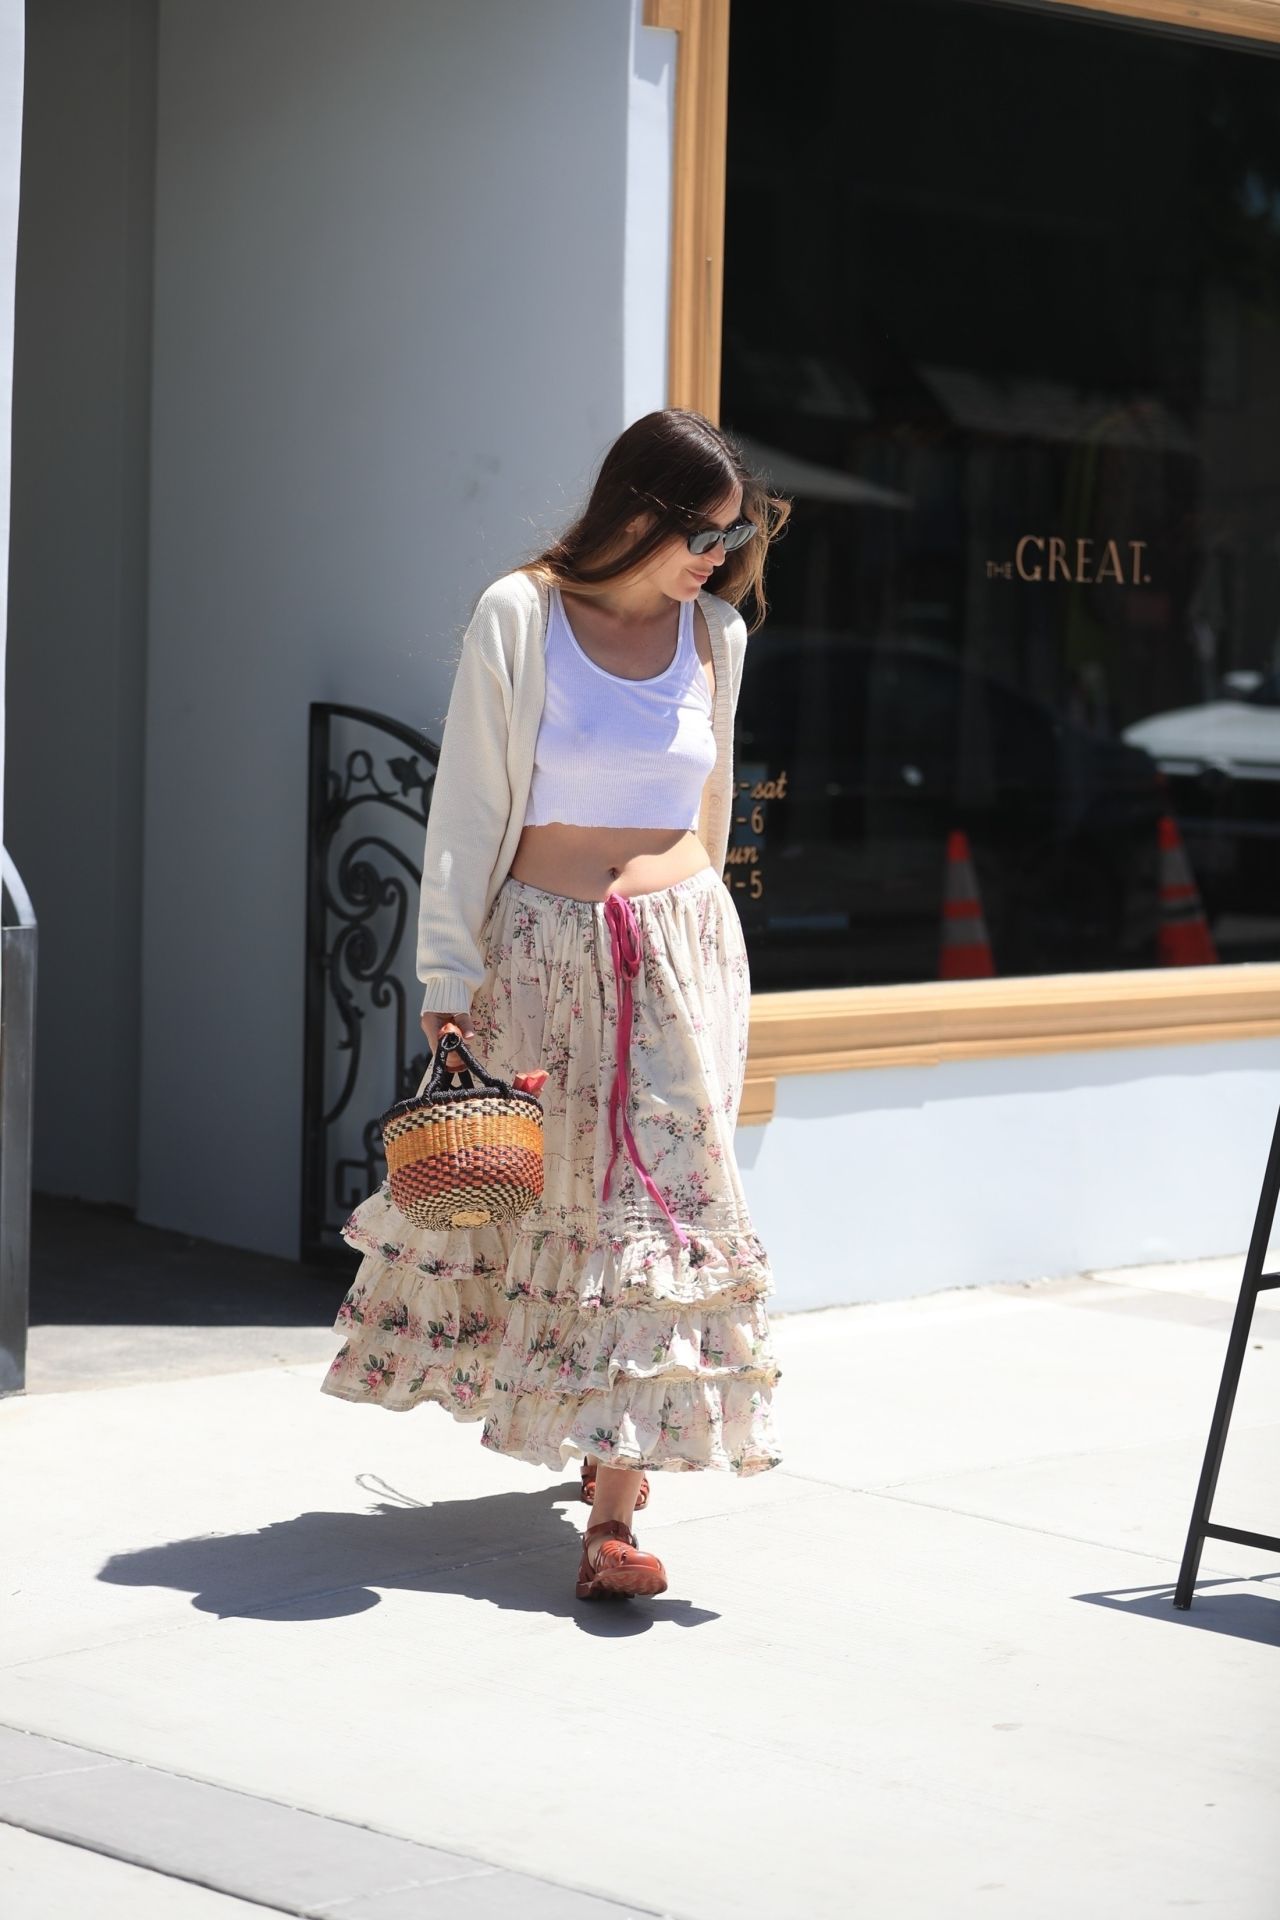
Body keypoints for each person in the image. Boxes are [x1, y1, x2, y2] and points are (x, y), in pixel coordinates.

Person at [321, 408, 791, 1602]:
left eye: (737, 536)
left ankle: (617, 1514)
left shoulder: (717, 634)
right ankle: (592, 1443)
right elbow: (469, 810)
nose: (719, 556)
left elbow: (712, 802)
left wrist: (709, 958)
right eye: (703, 531)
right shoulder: (520, 617)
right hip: (540, 954)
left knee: (659, 1218)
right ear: (634, 509)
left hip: (682, 955)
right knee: (559, 1205)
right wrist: (447, 978)